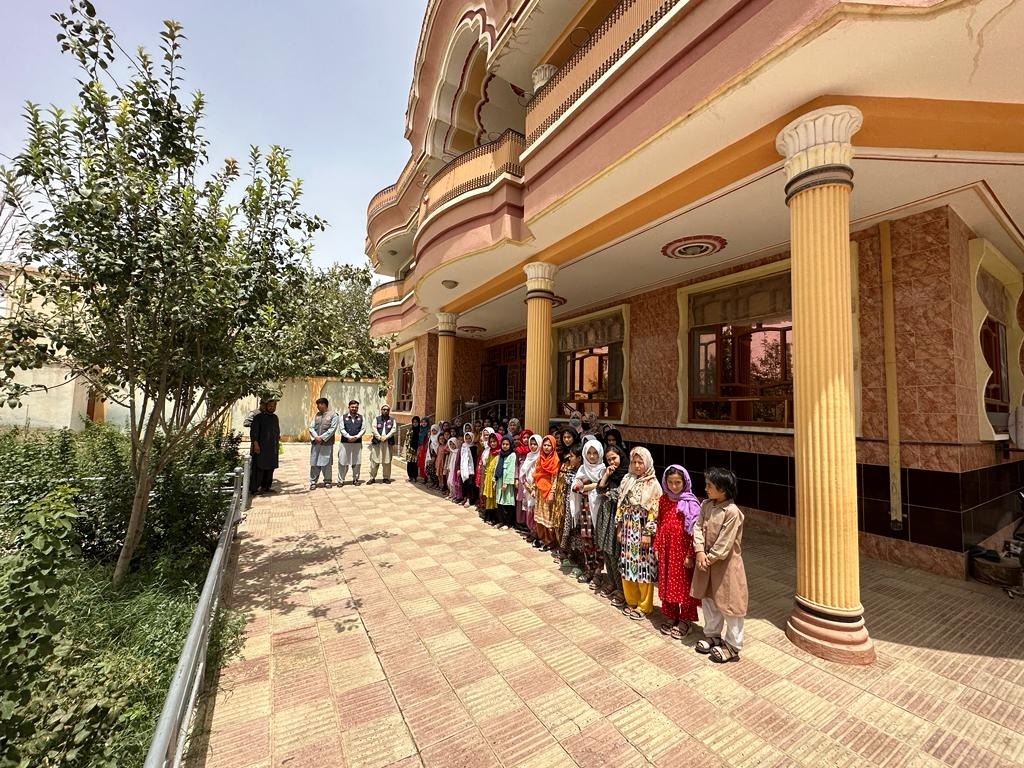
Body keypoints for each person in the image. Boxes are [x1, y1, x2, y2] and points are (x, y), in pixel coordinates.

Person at [692, 467, 747, 663]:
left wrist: (708, 558)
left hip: (725, 567)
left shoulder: (732, 512)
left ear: (722, 489)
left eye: (710, 485)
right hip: (706, 562)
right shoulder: (706, 504)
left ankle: (732, 645)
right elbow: (698, 527)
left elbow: (725, 542)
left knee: (730, 604)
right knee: (709, 600)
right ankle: (713, 635)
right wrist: (699, 551)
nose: (706, 488)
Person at [655, 465, 702, 638]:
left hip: (683, 552)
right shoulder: (663, 499)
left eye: (678, 482)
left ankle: (686, 620)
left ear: (685, 482)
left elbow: (695, 532)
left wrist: (691, 554)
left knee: (685, 586)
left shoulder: (691, 503)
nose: (674, 486)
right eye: (670, 482)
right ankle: (671, 615)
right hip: (667, 550)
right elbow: (660, 523)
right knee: (667, 582)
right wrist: (657, 546)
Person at [615, 446, 662, 620]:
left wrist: (648, 533)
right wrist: (619, 528)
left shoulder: (653, 484)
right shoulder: (627, 479)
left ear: (647, 463)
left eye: (640, 462)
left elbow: (655, 511)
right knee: (627, 565)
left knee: (643, 568)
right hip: (628, 529)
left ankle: (644, 606)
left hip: (642, 531)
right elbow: (621, 505)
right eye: (634, 462)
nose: (636, 465)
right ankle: (631, 601)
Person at [594, 444, 628, 604]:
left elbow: (624, 495)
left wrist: (611, 493)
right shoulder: (609, 473)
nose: (612, 462)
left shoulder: (628, 475)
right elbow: (599, 490)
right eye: (609, 460)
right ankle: (613, 583)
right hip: (606, 515)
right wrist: (606, 475)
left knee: (615, 552)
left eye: (614, 458)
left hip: (618, 518)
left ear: (621, 456)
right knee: (606, 551)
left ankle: (621, 589)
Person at [572, 438, 606, 583]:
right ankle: (589, 569)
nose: (592, 456)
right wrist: (592, 485)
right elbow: (575, 487)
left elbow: (602, 487)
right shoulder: (582, 469)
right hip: (585, 509)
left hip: (600, 511)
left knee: (599, 540)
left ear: (600, 454)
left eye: (595, 453)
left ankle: (598, 571)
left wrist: (586, 486)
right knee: (587, 539)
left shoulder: (604, 470)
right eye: (589, 453)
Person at [532, 435, 560, 551]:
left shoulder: (555, 460)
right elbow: (536, 474)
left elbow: (555, 479)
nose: (547, 447)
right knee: (539, 517)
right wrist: (533, 488)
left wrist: (552, 492)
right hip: (539, 491)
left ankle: (549, 541)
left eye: (549, 445)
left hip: (548, 492)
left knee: (548, 518)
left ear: (553, 447)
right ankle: (541, 538)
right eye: (545, 445)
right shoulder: (540, 458)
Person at [249, 398, 281, 495]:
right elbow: (254, 433)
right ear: (266, 406)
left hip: (272, 447)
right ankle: (255, 489)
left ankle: (266, 487)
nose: (272, 408)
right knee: (259, 468)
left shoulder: (275, 418)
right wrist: (256, 445)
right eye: (270, 406)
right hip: (261, 447)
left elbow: (276, 431)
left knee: (270, 467)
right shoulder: (258, 417)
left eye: (274, 406)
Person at [308, 397, 339, 489]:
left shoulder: (334, 415)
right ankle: (313, 482)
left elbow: (332, 429)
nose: (317, 407)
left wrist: (322, 438)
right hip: (316, 443)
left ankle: (327, 481)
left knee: (326, 462)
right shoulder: (317, 415)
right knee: (314, 462)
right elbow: (311, 427)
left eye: (319, 405)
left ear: (324, 405)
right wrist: (316, 437)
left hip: (327, 443)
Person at [519, 434, 542, 544]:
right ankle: (531, 530)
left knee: (534, 512)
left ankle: (536, 533)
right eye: (531, 444)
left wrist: (533, 487)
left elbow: (540, 474)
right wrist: (525, 484)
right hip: (527, 487)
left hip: (535, 489)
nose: (532, 446)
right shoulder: (529, 456)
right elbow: (523, 471)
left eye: (535, 444)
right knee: (529, 511)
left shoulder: (541, 457)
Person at [338, 400, 365, 486]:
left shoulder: (361, 417)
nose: (354, 408)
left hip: (357, 443)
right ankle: (341, 480)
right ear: (349, 407)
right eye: (352, 407)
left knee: (357, 462)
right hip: (345, 443)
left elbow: (363, 429)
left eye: (356, 407)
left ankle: (355, 479)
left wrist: (356, 437)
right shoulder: (343, 417)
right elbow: (342, 429)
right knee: (343, 462)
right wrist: (349, 437)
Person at [368, 404, 398, 484]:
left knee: (387, 461)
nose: (385, 411)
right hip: (378, 442)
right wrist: (379, 437)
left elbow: (393, 430)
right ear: (381, 410)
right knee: (374, 460)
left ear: (389, 411)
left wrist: (386, 437)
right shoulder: (376, 419)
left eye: (387, 410)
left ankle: (386, 478)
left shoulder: (392, 420)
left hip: (387, 442)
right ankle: (372, 478)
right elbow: (374, 429)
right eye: (384, 409)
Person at [494, 434, 518, 528]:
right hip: (499, 480)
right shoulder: (500, 454)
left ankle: (508, 523)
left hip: (506, 483)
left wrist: (506, 483)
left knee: (507, 502)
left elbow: (511, 470)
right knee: (499, 502)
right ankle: (501, 521)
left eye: (507, 444)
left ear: (510, 445)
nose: (505, 446)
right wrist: (494, 480)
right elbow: (496, 468)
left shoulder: (512, 455)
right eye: (503, 444)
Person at [458, 430, 478, 507]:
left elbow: (475, 459)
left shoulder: (474, 447)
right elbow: (461, 458)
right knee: (464, 484)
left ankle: (469, 500)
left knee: (470, 484)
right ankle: (465, 498)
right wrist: (459, 468)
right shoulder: (463, 446)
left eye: (469, 438)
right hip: (464, 468)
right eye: (466, 438)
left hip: (471, 469)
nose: (468, 440)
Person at [404, 416, 421, 482]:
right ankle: (410, 476)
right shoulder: (410, 429)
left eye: (416, 422)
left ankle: (415, 476)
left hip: (417, 449)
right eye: (414, 422)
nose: (415, 423)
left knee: (415, 463)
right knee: (410, 463)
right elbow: (407, 438)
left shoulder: (420, 430)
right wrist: (408, 447)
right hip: (410, 449)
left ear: (418, 422)